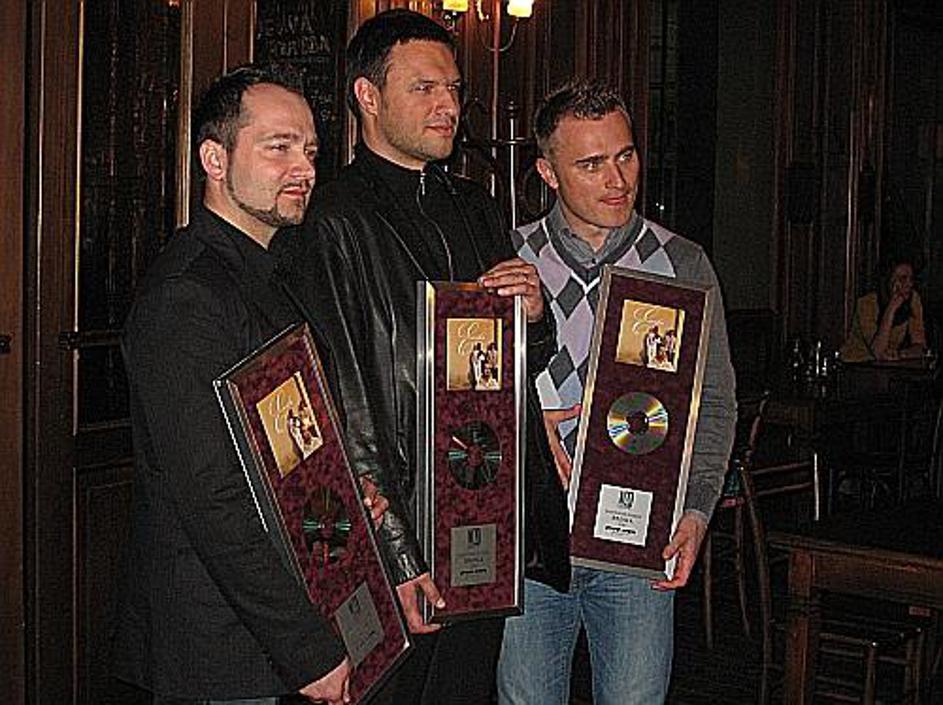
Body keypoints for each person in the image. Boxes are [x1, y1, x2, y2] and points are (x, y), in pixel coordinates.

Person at [274, 9, 569, 705]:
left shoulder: (477, 206)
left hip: (485, 513)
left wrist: (534, 316)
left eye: (454, 88)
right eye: (425, 88)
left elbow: (513, 369)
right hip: (398, 528)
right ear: (367, 96)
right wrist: (396, 552)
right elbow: (343, 403)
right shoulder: (331, 219)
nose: (448, 105)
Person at [114, 64, 378, 705]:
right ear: (215, 159)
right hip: (221, 644)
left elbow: (284, 449)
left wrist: (343, 492)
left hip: (278, 618)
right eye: (278, 147)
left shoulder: (271, 269)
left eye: (310, 150)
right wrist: (306, 649)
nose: (304, 168)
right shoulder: (186, 296)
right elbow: (214, 499)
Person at [497, 80, 736, 705]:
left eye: (625, 155)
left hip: (639, 545)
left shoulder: (682, 263)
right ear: (547, 172)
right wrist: (524, 420)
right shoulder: (507, 258)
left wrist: (697, 512)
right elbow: (465, 399)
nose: (617, 179)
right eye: (591, 163)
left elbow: (715, 403)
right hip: (533, 544)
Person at [840, 255, 927, 362]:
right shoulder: (867, 303)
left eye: (911, 279)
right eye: (903, 279)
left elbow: (920, 345)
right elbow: (877, 351)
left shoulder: (913, 299)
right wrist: (892, 307)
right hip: (858, 363)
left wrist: (902, 354)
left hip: (887, 364)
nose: (909, 284)